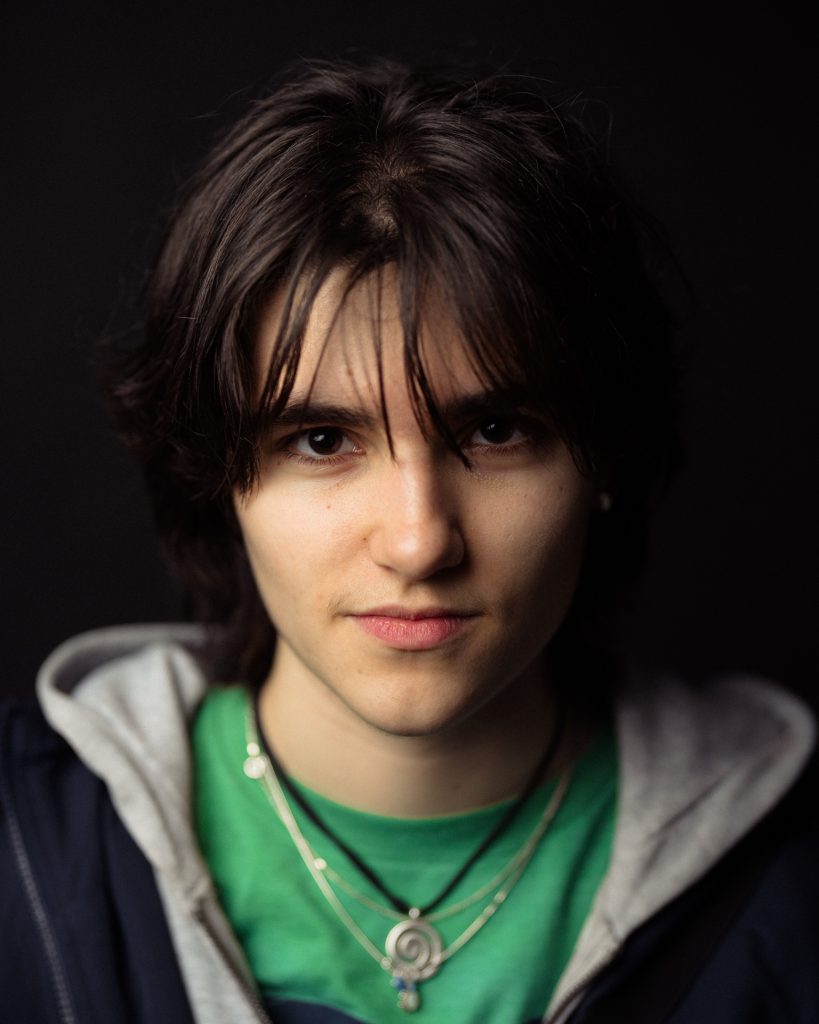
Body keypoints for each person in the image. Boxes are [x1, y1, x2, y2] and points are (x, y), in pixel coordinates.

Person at [0, 58, 816, 1024]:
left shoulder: (794, 888)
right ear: (214, 475)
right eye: (321, 439)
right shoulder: (24, 851)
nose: (419, 542)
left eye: (495, 432)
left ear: (605, 458)